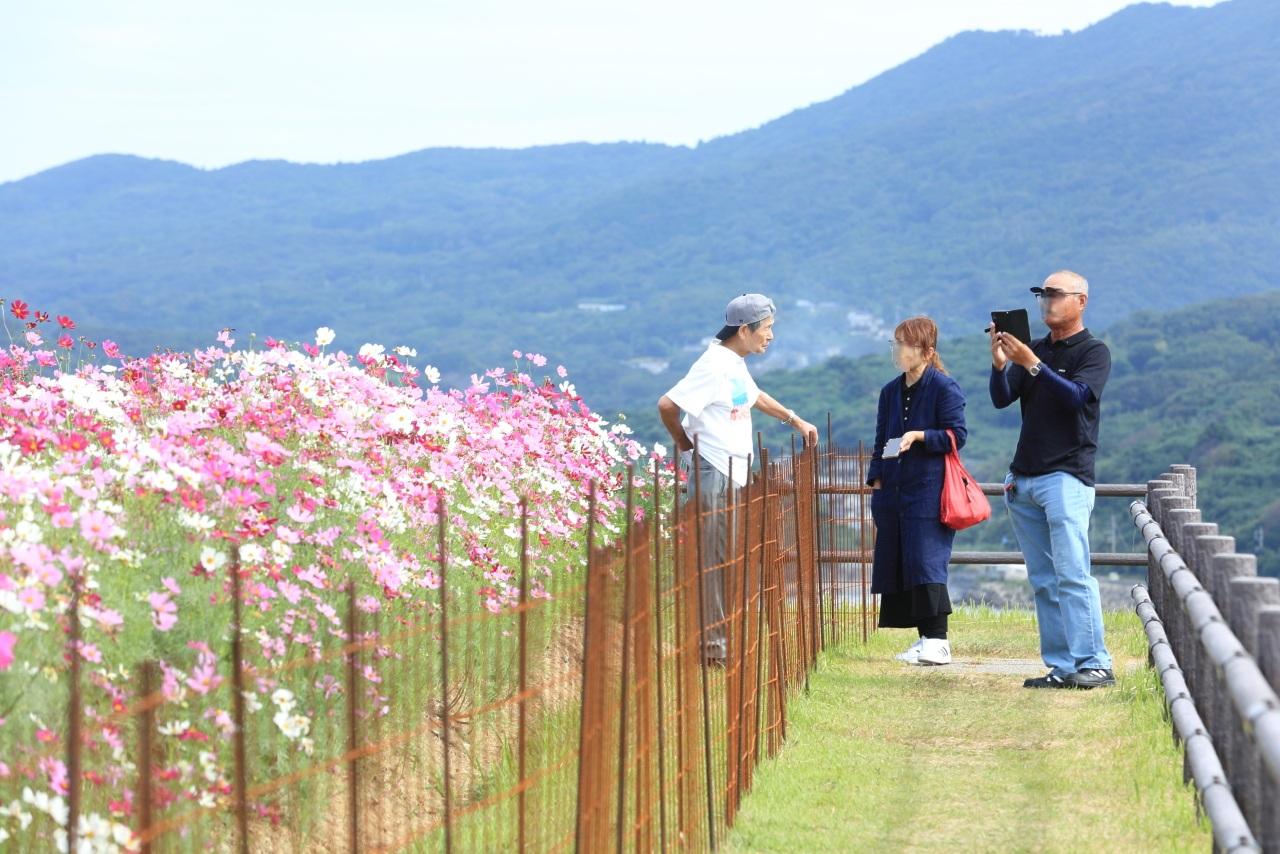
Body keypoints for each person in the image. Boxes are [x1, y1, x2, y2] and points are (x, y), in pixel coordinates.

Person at [657, 294, 818, 665]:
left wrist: (794, 419)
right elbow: (668, 405)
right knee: (713, 559)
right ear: (744, 330)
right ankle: (713, 652)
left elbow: (753, 396)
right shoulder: (713, 365)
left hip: (732, 472)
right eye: (767, 329)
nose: (771, 337)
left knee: (727, 557)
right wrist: (686, 449)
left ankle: (719, 643)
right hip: (713, 470)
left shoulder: (733, 362)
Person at [989, 270, 1114, 689]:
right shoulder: (1035, 349)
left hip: (1067, 475)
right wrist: (1001, 362)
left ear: (1080, 301)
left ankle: (1095, 662)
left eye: (1055, 294)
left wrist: (1032, 364)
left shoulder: (1093, 352)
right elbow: (1002, 398)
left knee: (1074, 573)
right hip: (1025, 478)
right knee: (1043, 579)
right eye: (1043, 294)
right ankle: (1062, 666)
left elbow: (1078, 398)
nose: (1046, 301)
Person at [866, 316, 967, 666]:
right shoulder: (890, 391)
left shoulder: (944, 388)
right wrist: (876, 485)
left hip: (930, 490)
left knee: (927, 563)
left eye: (904, 344)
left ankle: (938, 640)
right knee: (904, 563)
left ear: (926, 350)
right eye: (895, 342)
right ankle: (925, 640)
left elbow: (957, 436)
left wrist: (920, 435)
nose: (898, 350)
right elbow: (881, 442)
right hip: (893, 492)